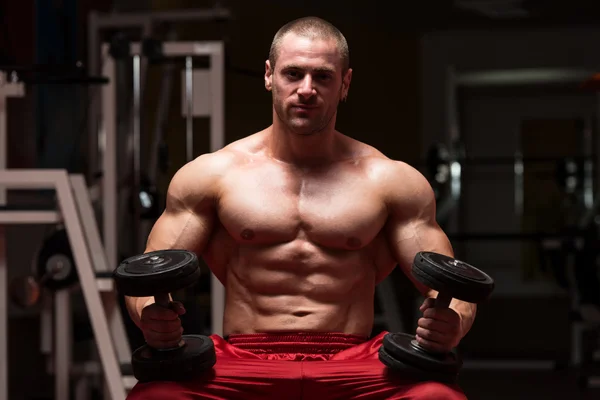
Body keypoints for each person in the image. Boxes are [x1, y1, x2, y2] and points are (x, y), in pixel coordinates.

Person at [125, 16, 475, 400]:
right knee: (156, 396)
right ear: (269, 76)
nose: (306, 90)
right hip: (245, 357)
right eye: (293, 74)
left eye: (322, 77)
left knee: (438, 397)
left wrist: (453, 323)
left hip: (352, 360)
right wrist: (149, 315)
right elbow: (151, 271)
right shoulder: (212, 176)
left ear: (345, 84)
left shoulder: (390, 181)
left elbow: (451, 285)